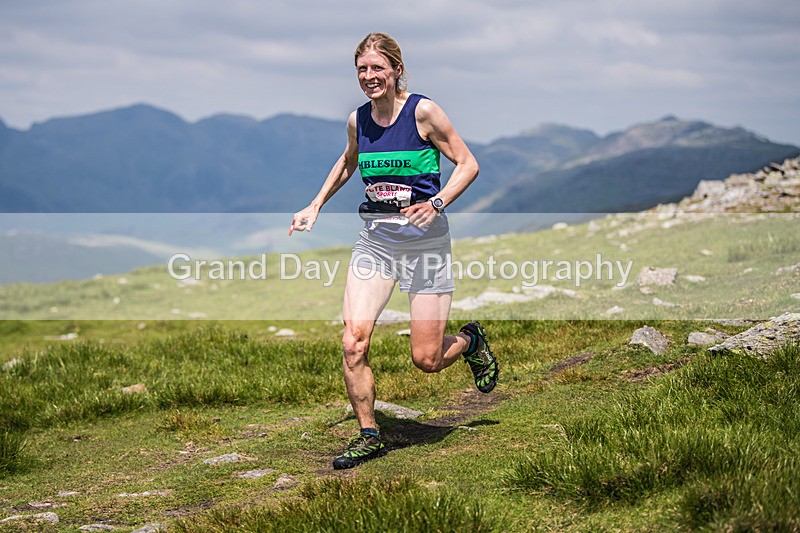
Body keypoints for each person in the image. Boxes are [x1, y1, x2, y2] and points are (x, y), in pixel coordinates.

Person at [289, 32, 498, 470]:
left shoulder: (423, 111)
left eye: (378, 68)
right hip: (376, 244)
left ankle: (471, 340)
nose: (369, 77)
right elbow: (349, 161)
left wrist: (437, 201)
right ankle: (369, 434)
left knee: (427, 359)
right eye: (362, 69)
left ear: (397, 70)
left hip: (426, 244)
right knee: (353, 342)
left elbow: (468, 163)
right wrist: (315, 205)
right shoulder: (358, 119)